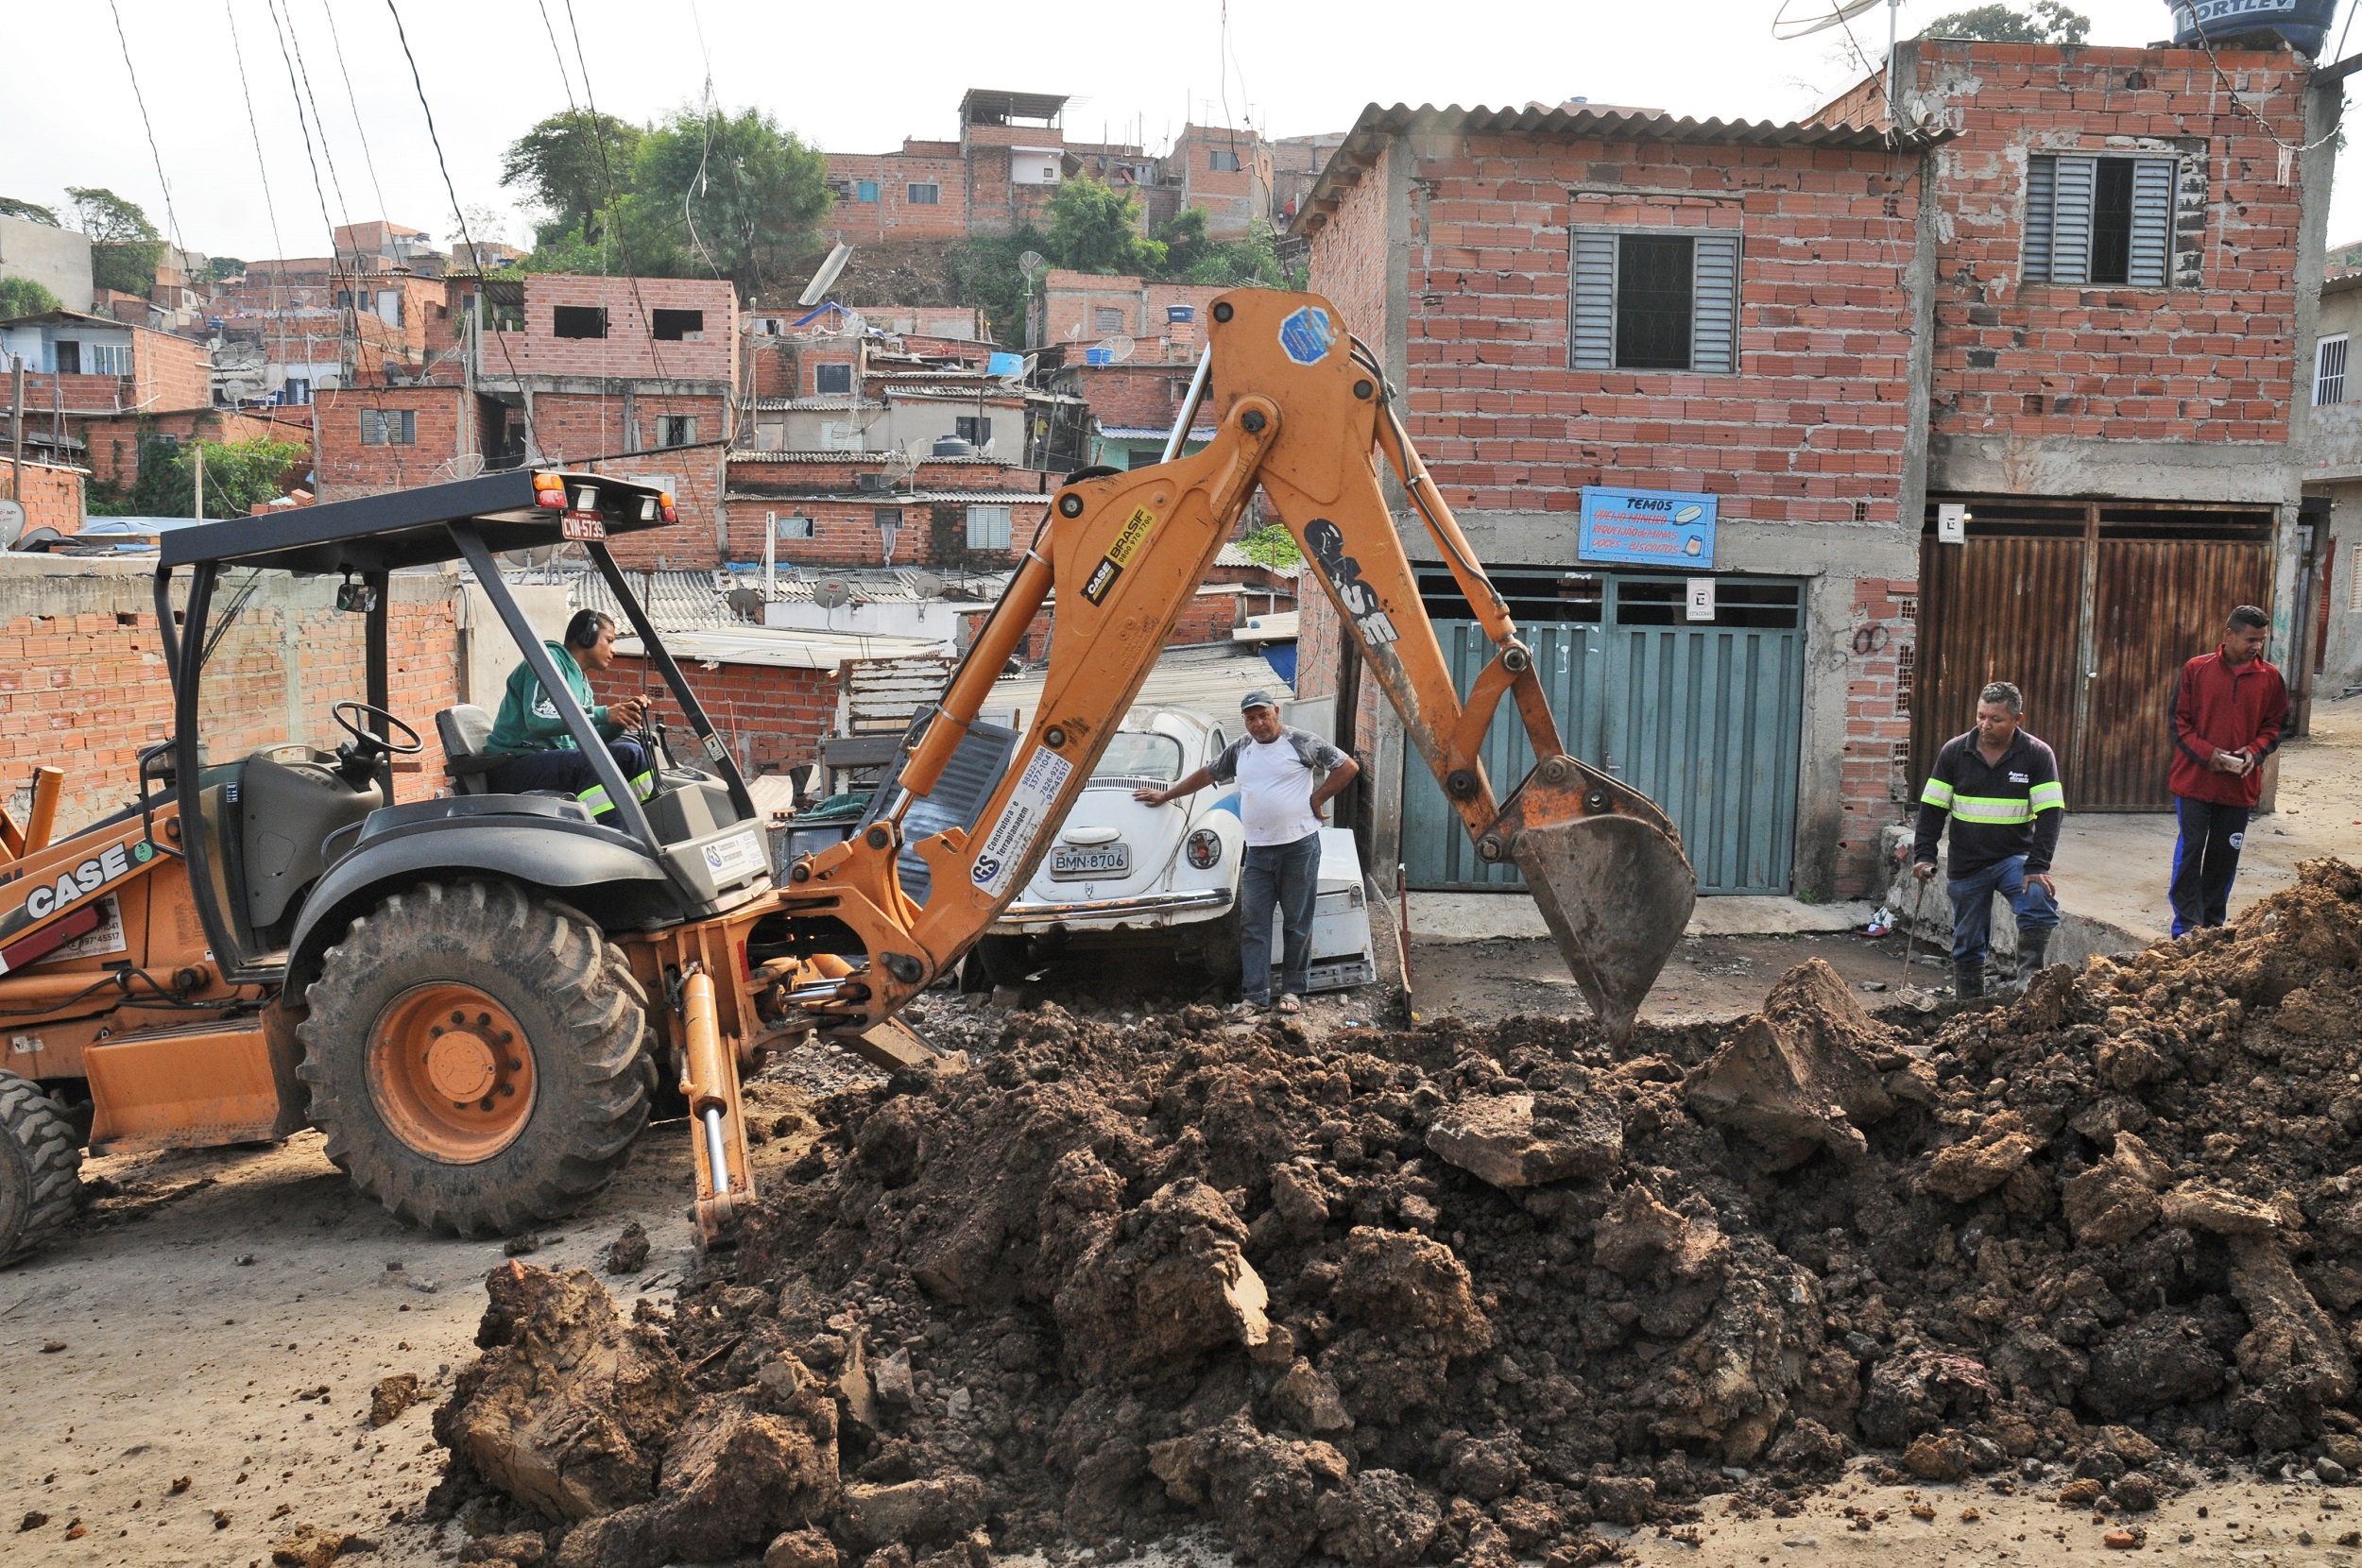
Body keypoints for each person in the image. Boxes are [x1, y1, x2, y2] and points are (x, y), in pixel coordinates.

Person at [1135, 690, 1360, 1014]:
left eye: (1263, 716)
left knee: (1297, 921)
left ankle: (1293, 991)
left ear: (1276, 712)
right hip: (1257, 852)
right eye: (1250, 719)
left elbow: (1347, 766)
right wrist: (1167, 794)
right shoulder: (1241, 749)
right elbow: (1209, 773)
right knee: (1253, 923)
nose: (1258, 724)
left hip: (1299, 847)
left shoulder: (1300, 742)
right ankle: (1255, 995)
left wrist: (1318, 798)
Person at [1911, 680, 2065, 997]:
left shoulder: (2036, 755)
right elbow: (1932, 808)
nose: (1986, 725)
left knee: (2039, 899)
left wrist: (2037, 865)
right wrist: (1924, 855)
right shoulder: (1955, 752)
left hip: (2014, 860)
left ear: (2017, 720)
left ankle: (2028, 980)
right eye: (1981, 716)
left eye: (1996, 719)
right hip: (1967, 862)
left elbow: (2051, 814)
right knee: (1968, 940)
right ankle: (1969, 1005)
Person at [2166, 605, 2286, 936]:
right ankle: (2185, 926)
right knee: (2191, 851)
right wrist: (2209, 755)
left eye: (2261, 640)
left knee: (2224, 856)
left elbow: (2276, 726)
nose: (2256, 647)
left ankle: (2213, 925)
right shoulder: (2196, 669)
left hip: (2239, 788)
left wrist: (2255, 752)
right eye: (2250, 639)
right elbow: (2179, 722)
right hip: (2194, 782)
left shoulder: (2271, 678)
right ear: (2229, 635)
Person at [483, 609, 653, 817]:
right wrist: (603, 714)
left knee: (633, 753)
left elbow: (586, 737)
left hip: (551, 762)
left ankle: (641, 820)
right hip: (515, 766)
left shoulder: (582, 683)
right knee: (594, 763)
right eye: (609, 640)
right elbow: (537, 719)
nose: (613, 650)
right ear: (586, 636)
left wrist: (620, 720)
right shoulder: (547, 661)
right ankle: (612, 834)